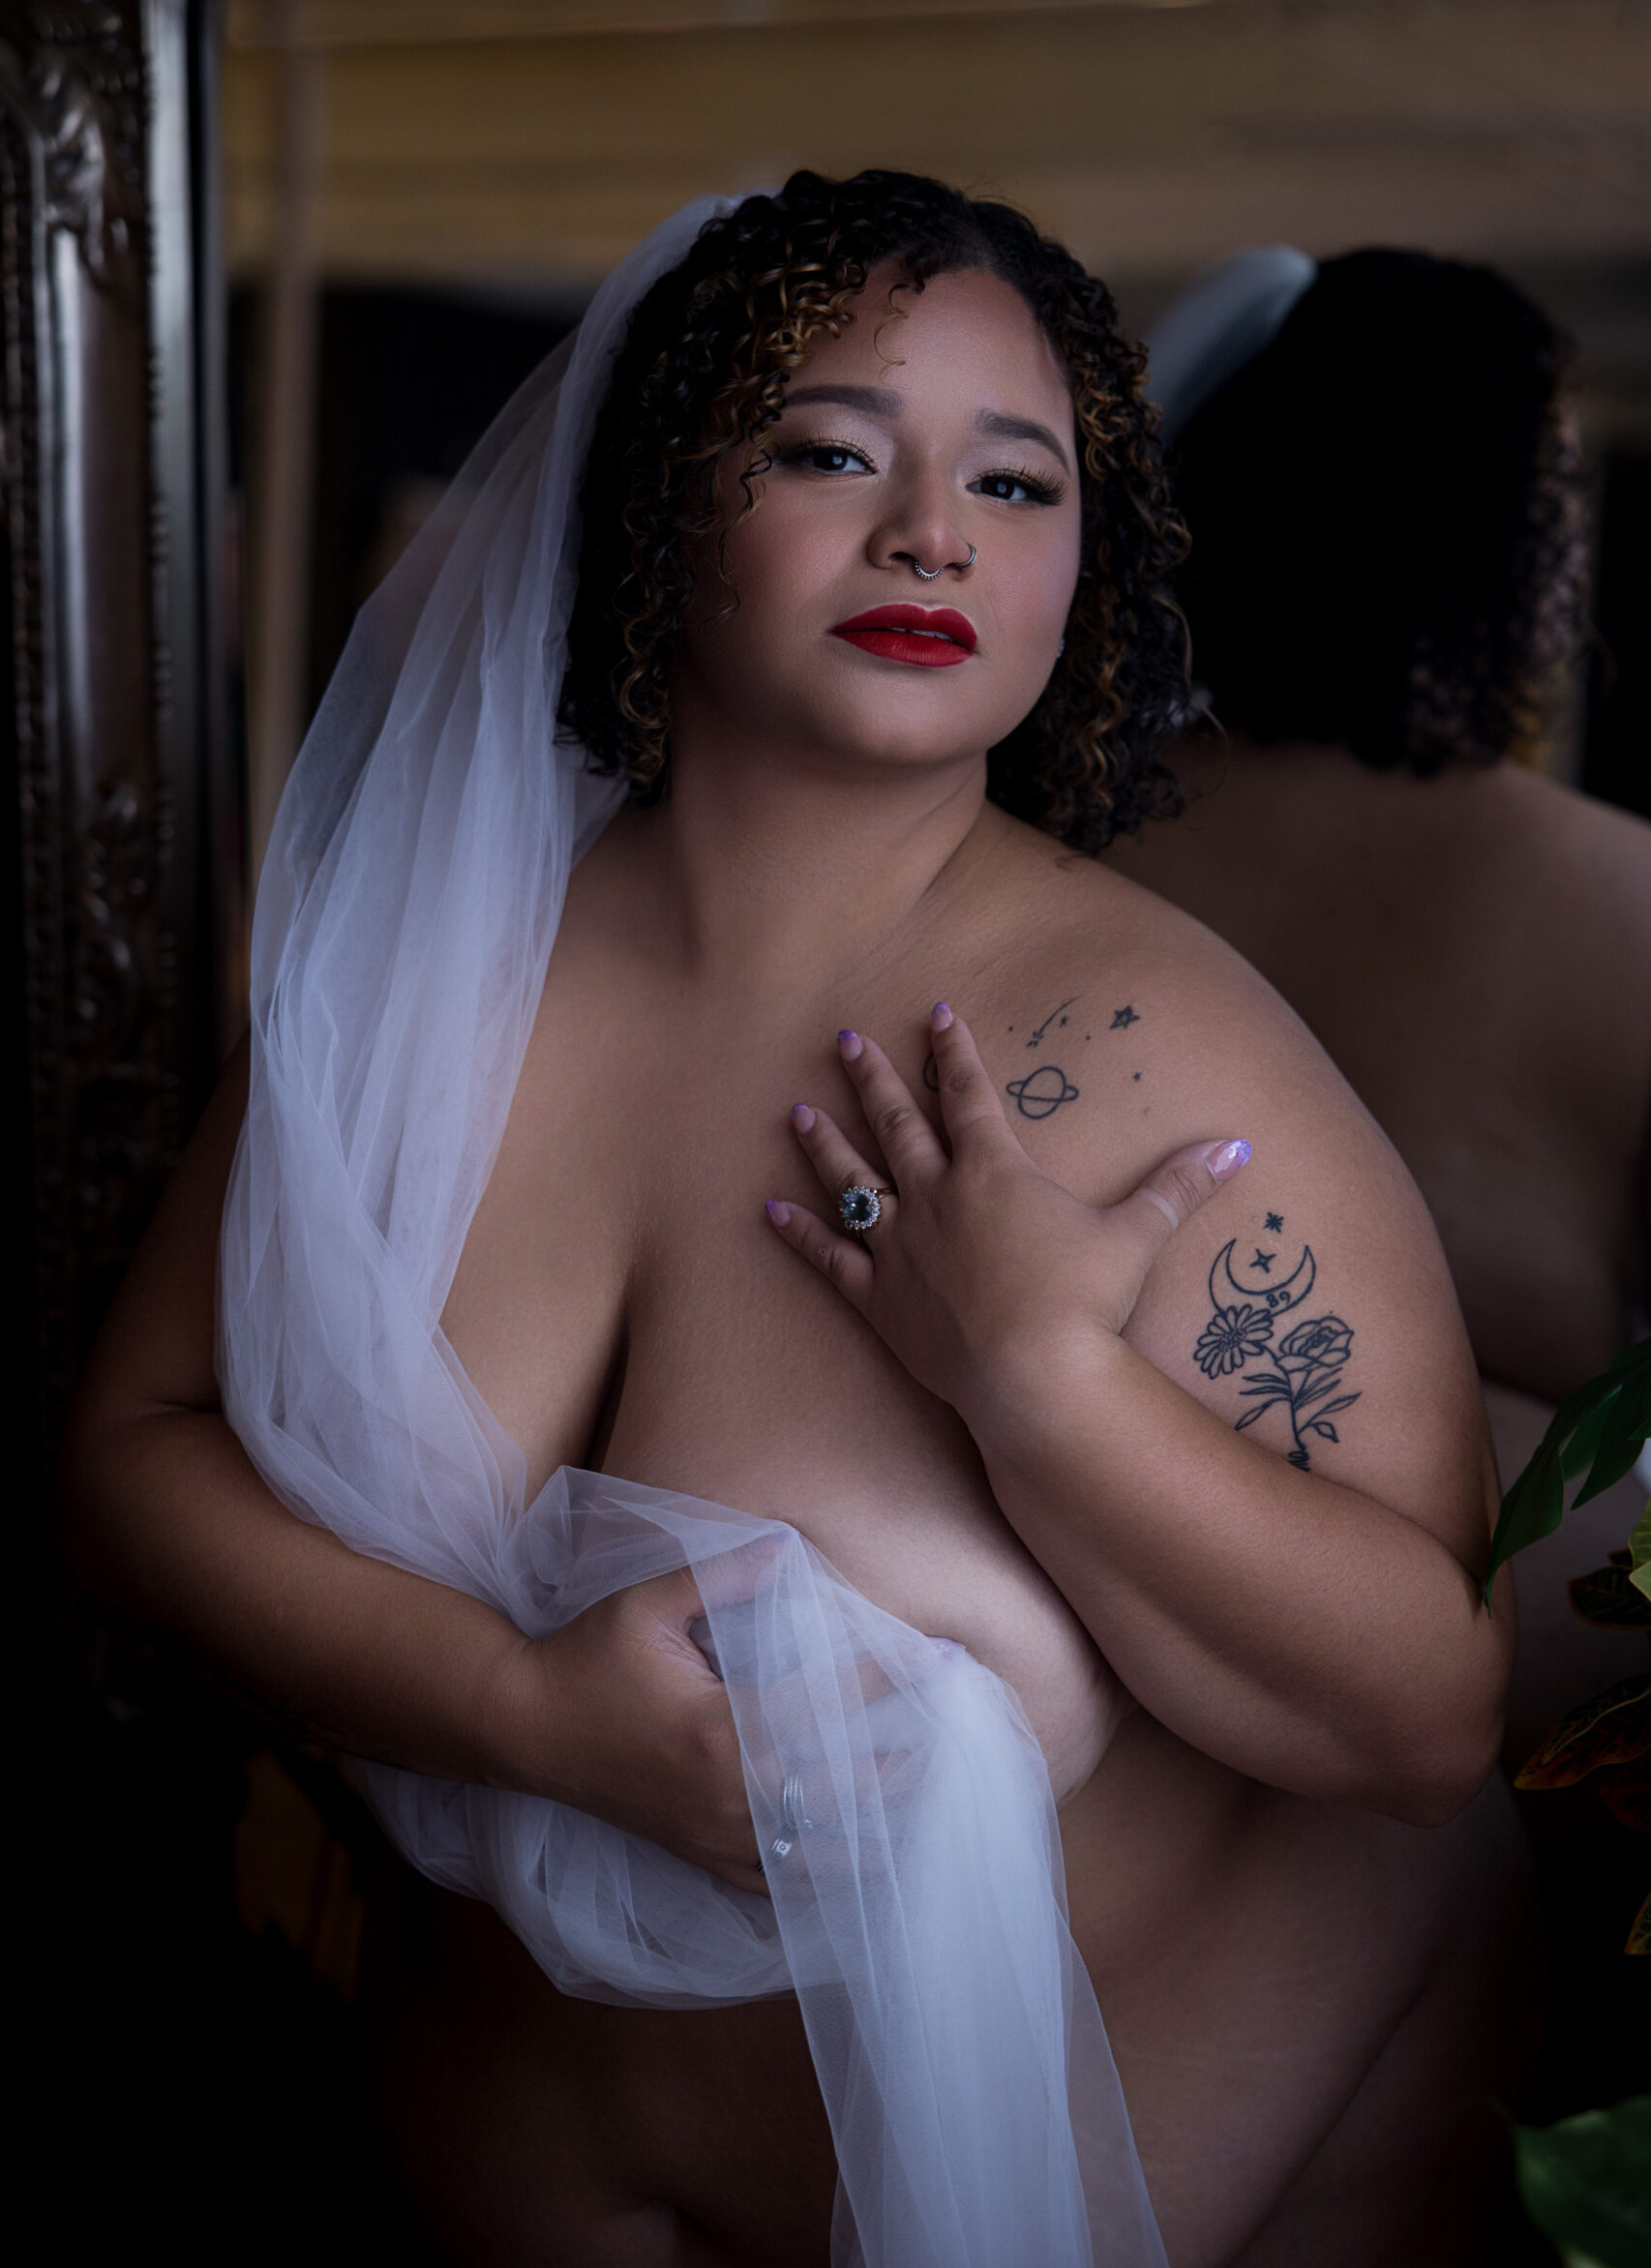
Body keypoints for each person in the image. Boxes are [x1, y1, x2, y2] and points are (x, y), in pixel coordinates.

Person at [66, 177, 1529, 2268]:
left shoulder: (1158, 1057)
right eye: (832, 447)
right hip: (477, 2147)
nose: (930, 528)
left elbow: (1424, 1725)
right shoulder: (438, 984)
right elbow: (129, 1459)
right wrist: (518, 1701)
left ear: (1079, 570)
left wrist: (1043, 1384)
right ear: (662, 499)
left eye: (1013, 480)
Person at [1111, 245, 1651, 1779]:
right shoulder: (1621, 909)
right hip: (1496, 1749)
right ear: (1518, 553)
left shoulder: (1033, 848)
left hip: (1070, 1715)